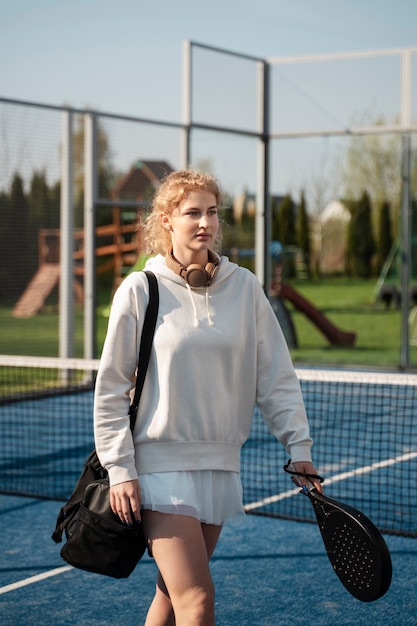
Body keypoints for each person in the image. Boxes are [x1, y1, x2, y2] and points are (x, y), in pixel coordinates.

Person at [94, 169, 322, 626]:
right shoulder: (141, 290)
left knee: (170, 595)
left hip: (220, 467)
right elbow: (111, 389)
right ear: (166, 220)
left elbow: (275, 373)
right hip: (159, 469)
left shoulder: (245, 287)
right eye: (192, 212)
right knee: (197, 599)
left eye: (212, 212)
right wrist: (120, 469)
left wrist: (299, 447)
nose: (205, 222)